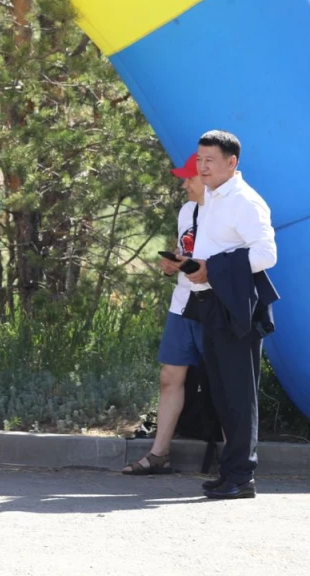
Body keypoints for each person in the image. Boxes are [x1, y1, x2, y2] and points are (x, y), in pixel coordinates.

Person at [180, 130, 277, 500]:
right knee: (221, 393)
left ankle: (242, 476)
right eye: (199, 159)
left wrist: (214, 268)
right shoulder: (212, 197)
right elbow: (214, 249)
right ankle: (231, 472)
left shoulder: (246, 201)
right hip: (210, 303)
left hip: (236, 306)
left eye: (210, 160)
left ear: (231, 163)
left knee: (239, 395)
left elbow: (267, 254)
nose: (201, 167)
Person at [123, 154, 205, 476]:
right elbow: (184, 251)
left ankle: (237, 461)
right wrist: (171, 266)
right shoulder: (187, 210)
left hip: (214, 306)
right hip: (182, 303)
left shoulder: (225, 213)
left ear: (207, 178)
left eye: (189, 178)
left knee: (225, 383)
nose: (184, 184)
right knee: (169, 377)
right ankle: (160, 454)